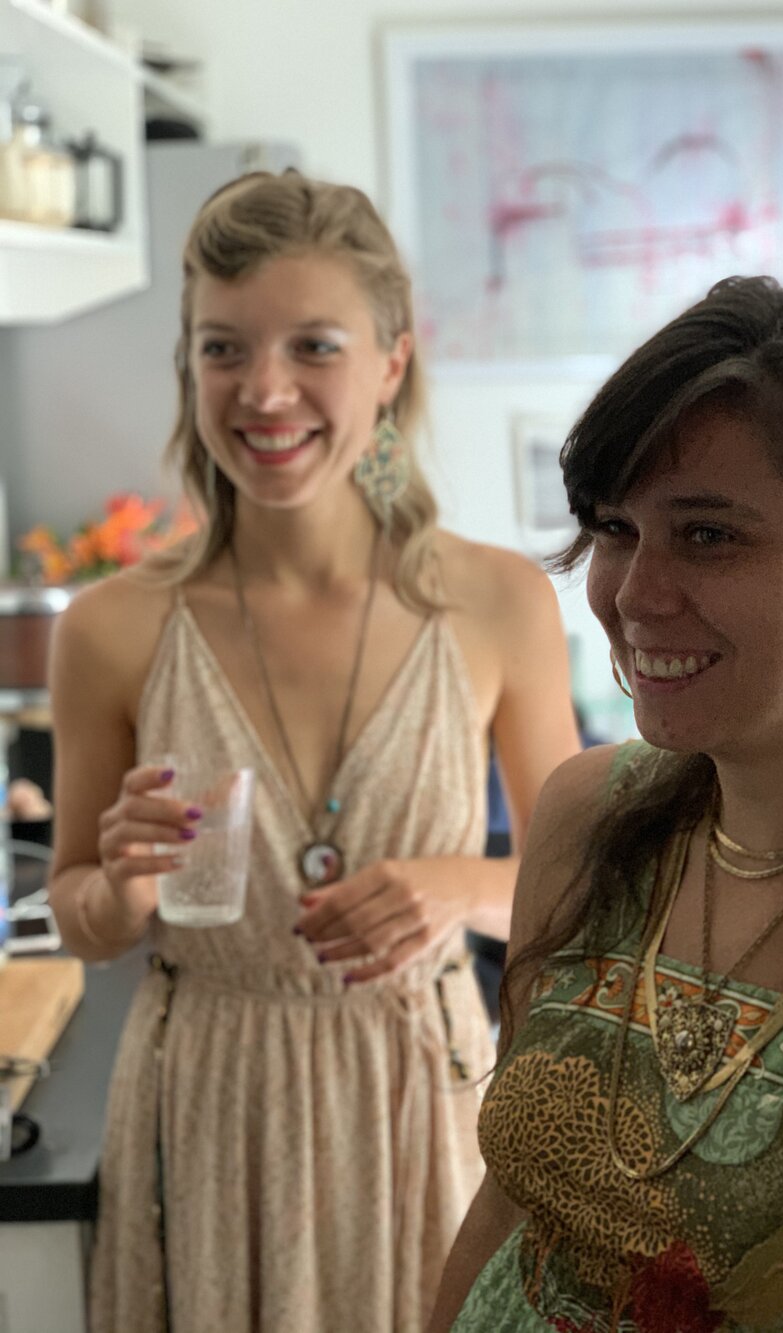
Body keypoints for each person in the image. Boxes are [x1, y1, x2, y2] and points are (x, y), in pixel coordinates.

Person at [46, 169, 581, 1333]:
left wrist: (452, 885)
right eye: (222, 349)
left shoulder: (495, 602)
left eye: (314, 346)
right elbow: (81, 914)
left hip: (422, 1102)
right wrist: (123, 883)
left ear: (392, 363)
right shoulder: (111, 627)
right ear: (187, 369)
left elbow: (579, 887)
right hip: (202, 1105)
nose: (265, 390)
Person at [430, 275, 783, 1332]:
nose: (633, 594)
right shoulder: (586, 814)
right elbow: (507, 1210)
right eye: (614, 528)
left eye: (706, 536)